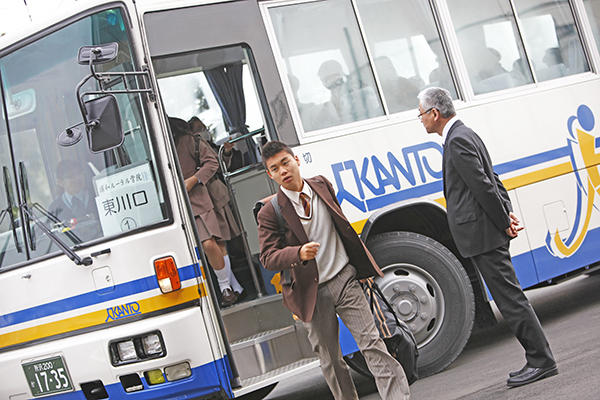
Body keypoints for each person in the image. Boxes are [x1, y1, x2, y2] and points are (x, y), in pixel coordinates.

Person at [416, 87, 557, 388]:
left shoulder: (457, 141)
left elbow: (483, 185)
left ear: (435, 114)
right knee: (510, 297)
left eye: (421, 114)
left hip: (483, 235)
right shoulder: (465, 135)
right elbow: (492, 179)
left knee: (510, 300)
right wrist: (506, 213)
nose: (421, 120)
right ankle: (538, 358)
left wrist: (504, 219)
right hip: (485, 232)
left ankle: (541, 360)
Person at [256, 141, 410, 400]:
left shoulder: (321, 185)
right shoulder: (270, 213)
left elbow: (340, 224)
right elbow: (268, 257)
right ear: (269, 175)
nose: (283, 171)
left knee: (372, 344)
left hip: (344, 278)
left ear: (297, 160)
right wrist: (298, 253)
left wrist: (361, 267)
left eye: (286, 162)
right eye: (275, 168)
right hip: (311, 293)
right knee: (331, 360)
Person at [169, 117, 243, 306]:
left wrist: (192, 181)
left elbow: (214, 163)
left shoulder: (191, 141)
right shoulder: (165, 146)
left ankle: (225, 287)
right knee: (214, 244)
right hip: (187, 202)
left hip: (204, 198)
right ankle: (231, 287)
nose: (201, 131)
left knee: (213, 243)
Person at [48, 159, 101, 242]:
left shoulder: (97, 195)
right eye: (70, 176)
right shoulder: (54, 208)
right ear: (60, 182)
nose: (77, 179)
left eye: (79, 173)